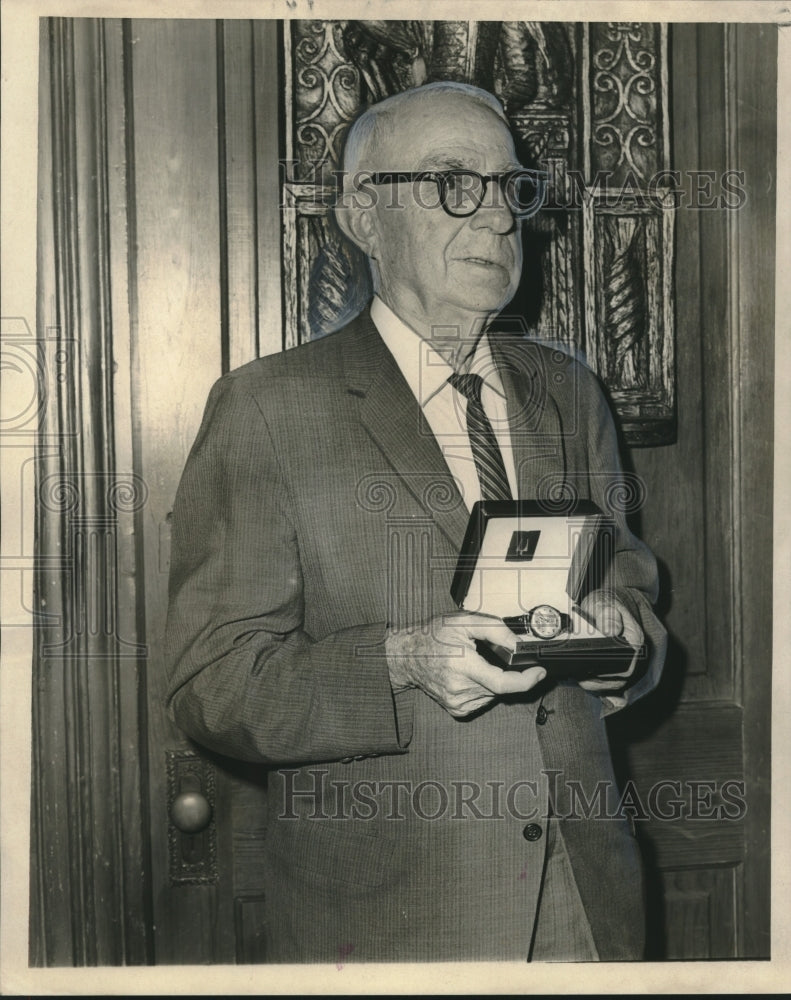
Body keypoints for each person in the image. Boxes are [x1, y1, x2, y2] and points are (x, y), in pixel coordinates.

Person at [164, 81, 667, 963]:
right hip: (391, 925)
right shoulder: (269, 409)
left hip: (589, 903)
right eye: (451, 182)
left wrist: (627, 636)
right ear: (364, 214)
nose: (498, 219)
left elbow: (625, 574)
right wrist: (400, 660)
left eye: (510, 188)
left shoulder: (568, 391)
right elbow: (212, 684)